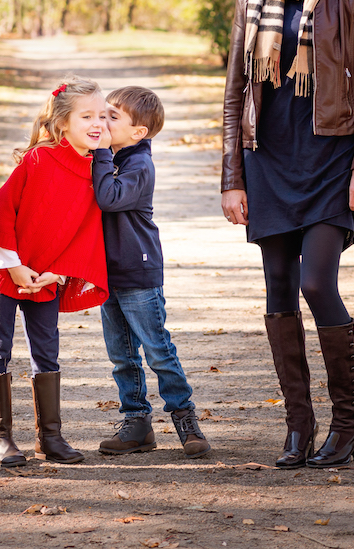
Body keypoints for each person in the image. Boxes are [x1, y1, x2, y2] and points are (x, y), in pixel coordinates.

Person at [220, 0, 354, 469]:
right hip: (268, 161)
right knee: (277, 292)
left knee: (317, 283)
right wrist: (231, 176)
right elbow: (235, 89)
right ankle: (298, 428)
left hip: (329, 161)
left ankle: (348, 423)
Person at [0, 77, 109, 467]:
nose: (98, 123)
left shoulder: (96, 171)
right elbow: (0, 215)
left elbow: (85, 235)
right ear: (63, 123)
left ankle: (50, 437)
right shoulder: (38, 160)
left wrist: (59, 275)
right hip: (8, 269)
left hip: (49, 277)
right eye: (87, 116)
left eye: (102, 116)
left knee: (47, 349)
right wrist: (13, 267)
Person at [91, 86, 210, 459]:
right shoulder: (114, 157)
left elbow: (107, 198)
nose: (101, 122)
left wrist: (97, 152)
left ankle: (185, 419)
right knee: (122, 356)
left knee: (158, 351)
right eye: (101, 114)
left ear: (138, 132)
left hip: (138, 274)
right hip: (107, 273)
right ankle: (137, 424)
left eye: (112, 117)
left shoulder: (139, 164)